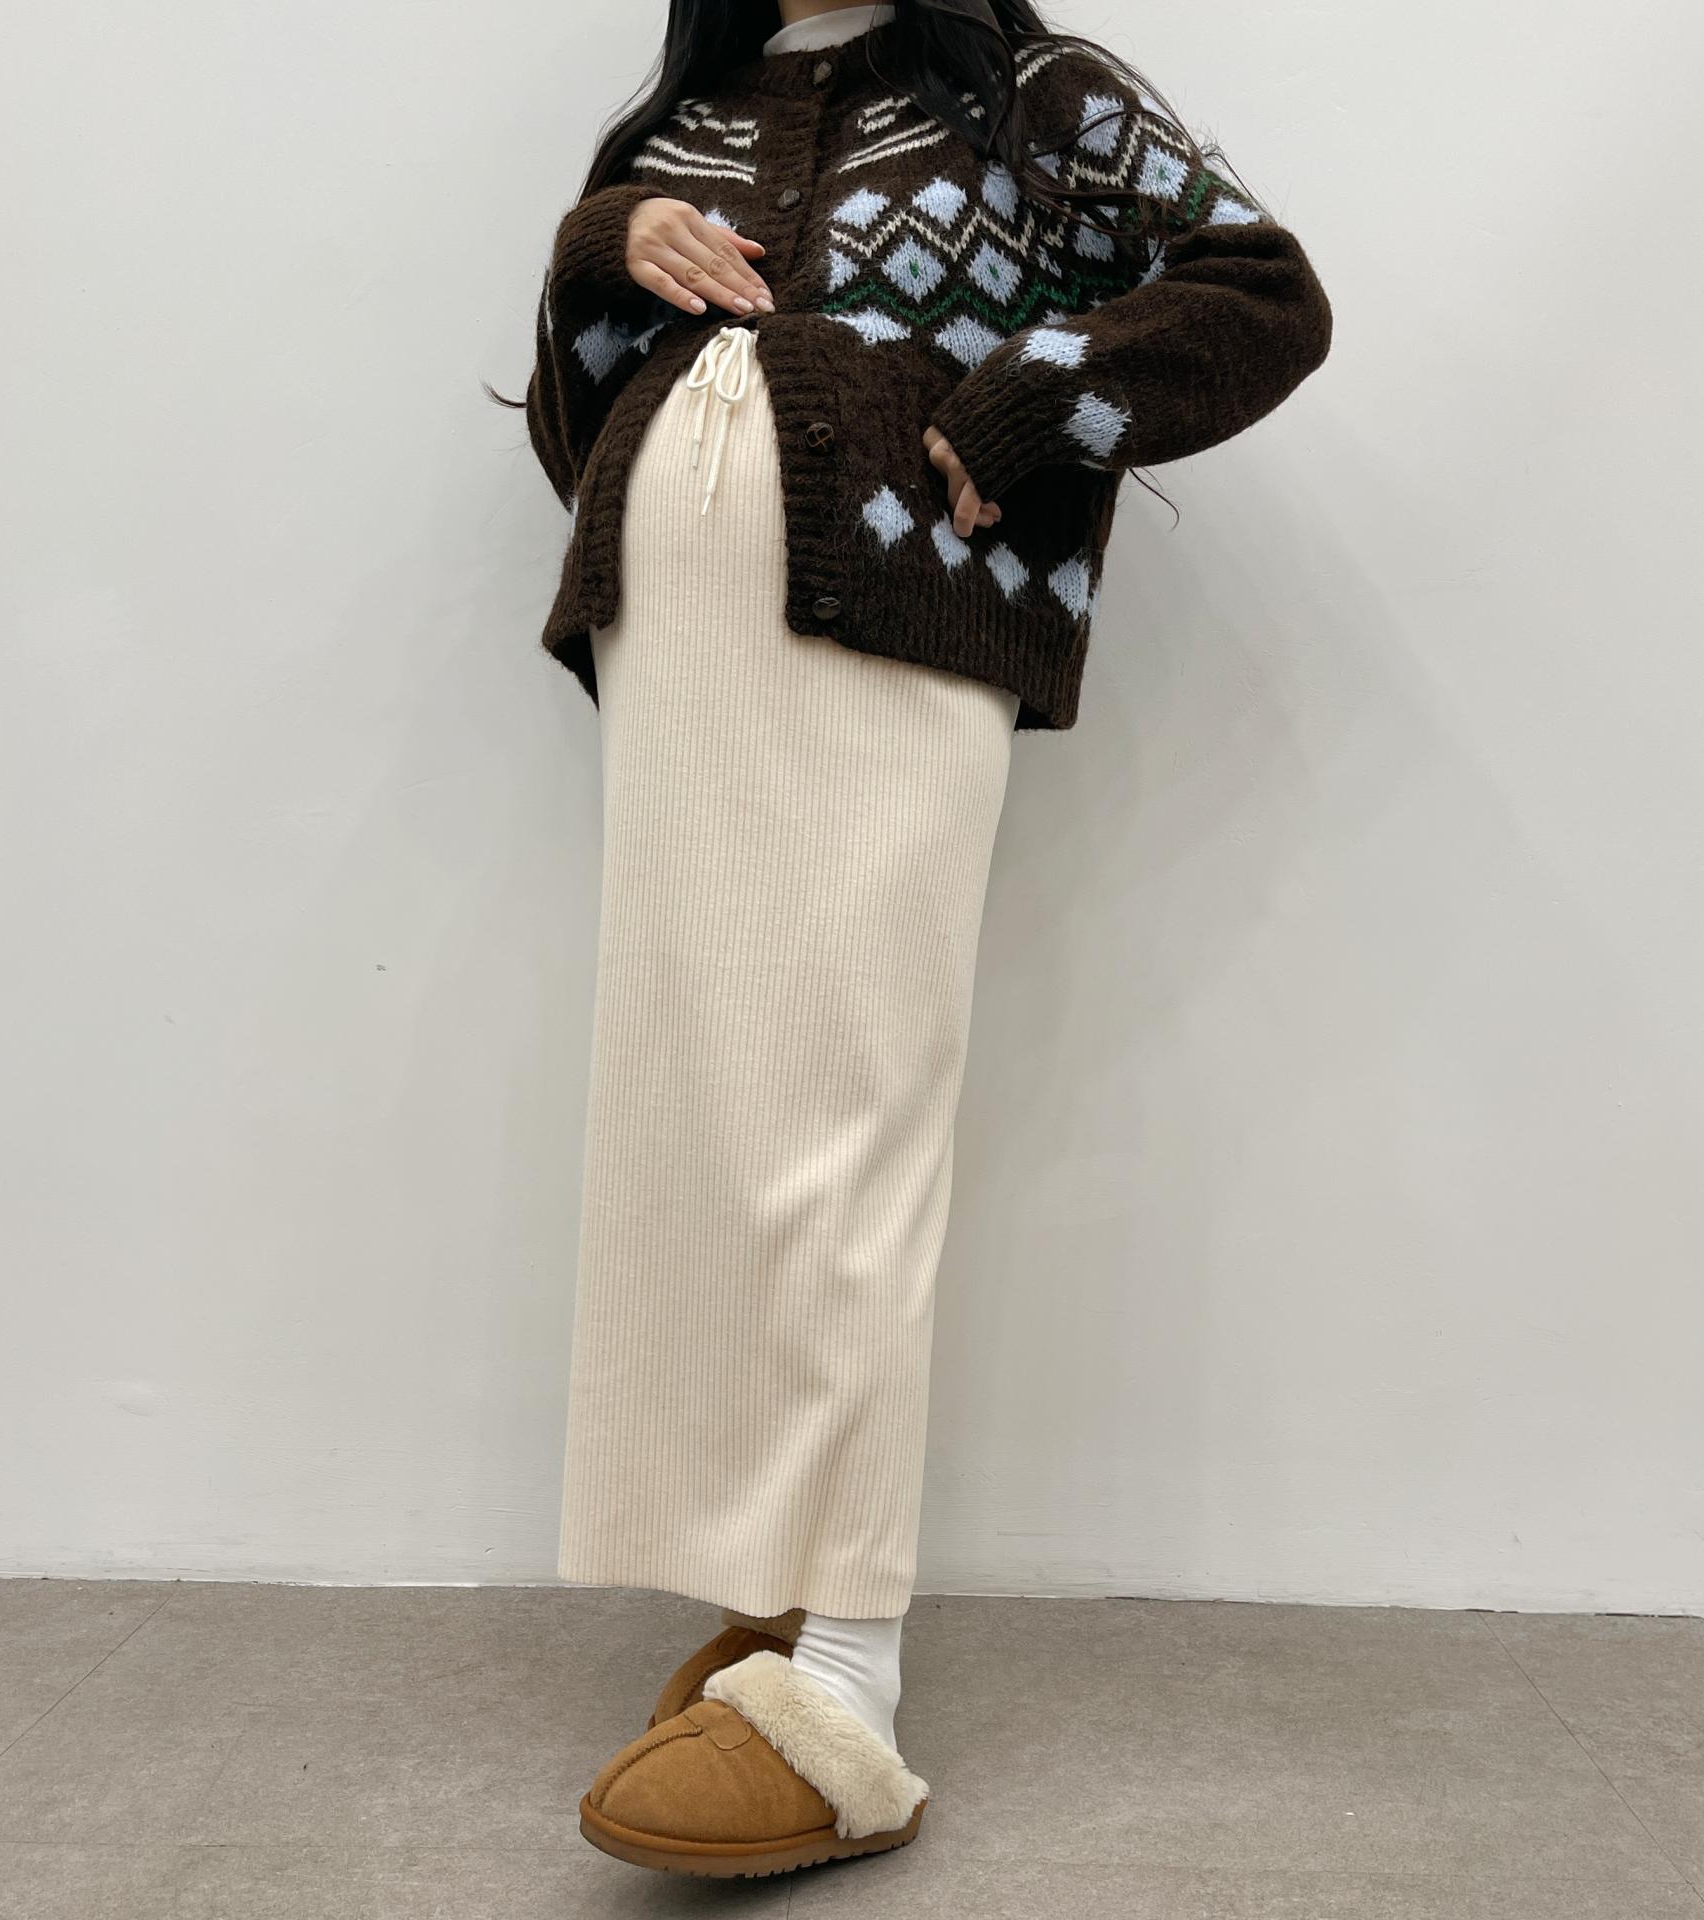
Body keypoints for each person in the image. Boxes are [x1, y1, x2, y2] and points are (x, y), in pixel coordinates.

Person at [510, 0, 1332, 1879]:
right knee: (704, 1104)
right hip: (674, 638)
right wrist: (597, 248)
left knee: (849, 1104)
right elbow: (573, 425)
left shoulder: (1035, 89)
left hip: (899, 613)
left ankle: (850, 1687)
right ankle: (772, 1596)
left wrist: (1041, 392)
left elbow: (1263, 296)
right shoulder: (692, 111)